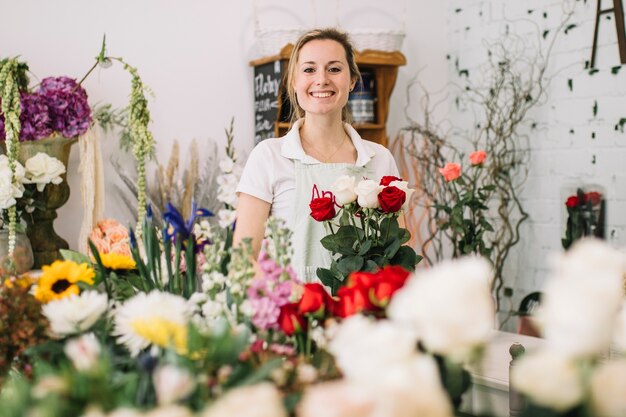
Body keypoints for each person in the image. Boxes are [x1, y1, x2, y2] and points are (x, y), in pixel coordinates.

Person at [234, 28, 400, 282]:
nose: (321, 80)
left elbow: (397, 254)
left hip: (362, 313)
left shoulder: (379, 159)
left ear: (352, 80)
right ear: (294, 81)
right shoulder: (269, 156)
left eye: (334, 69)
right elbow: (243, 259)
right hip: (293, 312)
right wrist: (295, 300)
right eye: (309, 70)